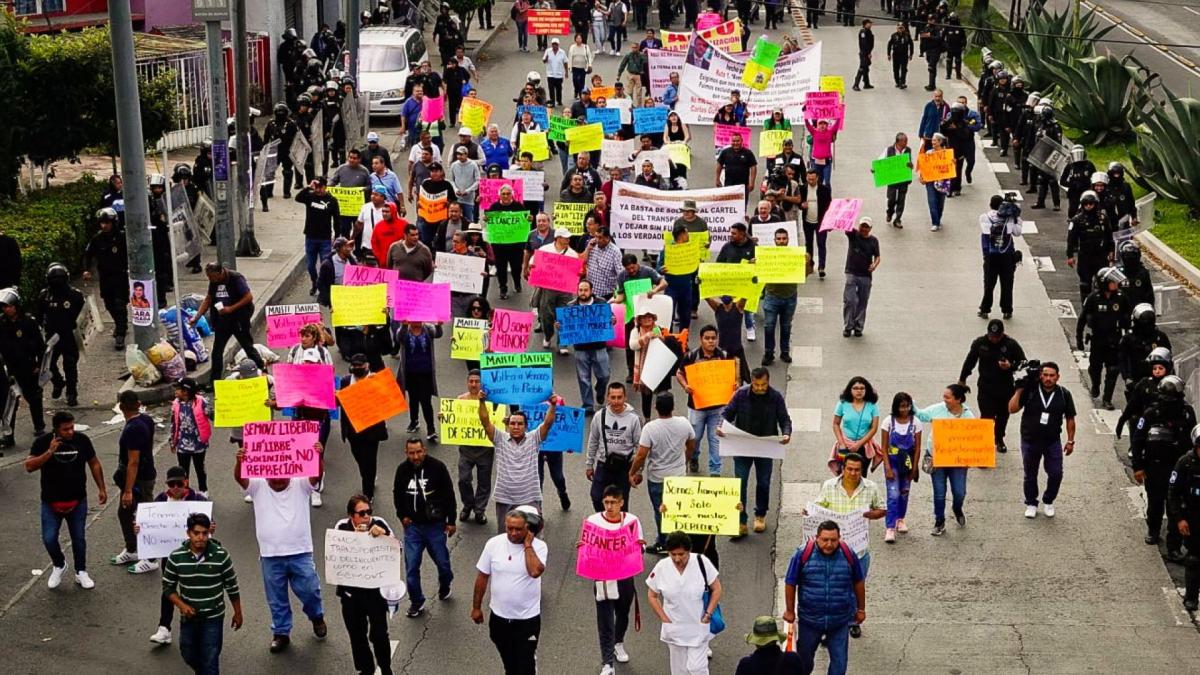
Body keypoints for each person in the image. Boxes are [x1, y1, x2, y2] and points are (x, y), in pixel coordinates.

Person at [234, 438, 327, 653]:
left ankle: (316, 616)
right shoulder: (257, 485)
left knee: (310, 590)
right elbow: (241, 479)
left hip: (300, 552)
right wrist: (240, 462)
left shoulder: (301, 482)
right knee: (276, 598)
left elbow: (316, 475)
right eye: (272, 477)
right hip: (270, 555)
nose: (276, 480)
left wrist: (317, 455)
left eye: (281, 476)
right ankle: (281, 632)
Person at [26, 411, 105, 590]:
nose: (70, 432)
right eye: (65, 429)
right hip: (50, 502)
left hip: (77, 501)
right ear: (56, 429)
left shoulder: (82, 440)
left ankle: (81, 571)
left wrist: (101, 488)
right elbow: (29, 466)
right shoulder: (43, 442)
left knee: (78, 538)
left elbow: (94, 463)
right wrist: (49, 452)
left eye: (72, 427)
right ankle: (59, 564)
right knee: (49, 538)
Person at [162, 512, 243, 675]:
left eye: (205, 533)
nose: (201, 537)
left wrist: (238, 613)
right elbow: (168, 587)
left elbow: (232, 586)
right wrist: (181, 605)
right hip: (189, 618)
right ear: (188, 533)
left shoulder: (221, 555)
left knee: (210, 658)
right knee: (187, 653)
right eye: (196, 533)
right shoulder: (176, 557)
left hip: (213, 617)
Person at [471, 507, 549, 674]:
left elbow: (535, 571)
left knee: (525, 666)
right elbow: (482, 577)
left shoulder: (539, 547)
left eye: (518, 529)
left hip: (527, 621)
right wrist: (476, 607)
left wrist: (527, 545)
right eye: (509, 528)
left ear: (528, 528)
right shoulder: (493, 544)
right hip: (499, 619)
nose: (513, 533)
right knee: (510, 664)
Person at [782, 521, 866, 675]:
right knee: (803, 663)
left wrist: (861, 609)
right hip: (810, 621)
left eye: (834, 540)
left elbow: (858, 582)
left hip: (839, 621)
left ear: (840, 538)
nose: (829, 544)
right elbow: (790, 582)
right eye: (825, 540)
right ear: (817, 538)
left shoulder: (848, 554)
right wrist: (789, 610)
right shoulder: (802, 554)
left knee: (839, 665)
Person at [720, 368, 792, 536]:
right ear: (751, 381)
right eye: (757, 385)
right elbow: (727, 413)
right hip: (743, 445)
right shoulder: (740, 395)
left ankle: (760, 515)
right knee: (740, 483)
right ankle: (741, 520)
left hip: (765, 446)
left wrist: (786, 432)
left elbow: (784, 418)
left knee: (764, 482)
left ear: (769, 382)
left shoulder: (775, 397)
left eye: (763, 385)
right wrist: (720, 425)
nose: (760, 388)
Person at [393, 437, 457, 617]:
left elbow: (449, 495)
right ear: (406, 453)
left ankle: (445, 583)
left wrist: (451, 521)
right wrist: (402, 516)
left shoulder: (437, 467)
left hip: (435, 526)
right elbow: (397, 494)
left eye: (418, 452)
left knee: (443, 563)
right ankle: (416, 601)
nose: (415, 456)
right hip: (413, 527)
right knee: (411, 567)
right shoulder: (402, 470)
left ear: (425, 451)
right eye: (411, 453)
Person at [1131, 376, 1194, 556]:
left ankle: (1173, 546)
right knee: (1156, 502)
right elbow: (1138, 440)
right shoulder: (1151, 413)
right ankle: (1153, 530)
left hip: (1179, 467)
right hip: (1155, 466)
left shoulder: (1187, 413)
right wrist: (1138, 467)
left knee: (1177, 506)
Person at [583, 486, 643, 674]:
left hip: (625, 577)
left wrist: (639, 548)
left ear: (621, 503)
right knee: (605, 620)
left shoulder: (632, 521)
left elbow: (638, 546)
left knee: (623, 614)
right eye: (606, 502)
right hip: (603, 578)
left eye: (613, 502)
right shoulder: (593, 521)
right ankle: (607, 662)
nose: (609, 506)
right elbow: (587, 545)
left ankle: (618, 642)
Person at [333, 495, 396, 675]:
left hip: (374, 593)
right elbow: (335, 555)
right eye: (361, 513)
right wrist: (356, 538)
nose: (366, 516)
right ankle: (365, 668)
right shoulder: (342, 528)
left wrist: (383, 536)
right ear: (351, 515)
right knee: (356, 634)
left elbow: (396, 549)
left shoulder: (379, 523)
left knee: (380, 634)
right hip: (351, 594)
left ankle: (385, 667)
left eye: (368, 512)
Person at [646, 530, 722, 675]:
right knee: (679, 671)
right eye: (673, 554)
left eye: (681, 554)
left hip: (698, 625)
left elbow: (717, 589)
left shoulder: (702, 562)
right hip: (674, 628)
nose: (677, 559)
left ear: (689, 551)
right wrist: (664, 618)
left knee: (697, 668)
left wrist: (708, 614)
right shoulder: (662, 567)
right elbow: (652, 595)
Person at [1008, 362, 1077, 519]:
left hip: (1052, 441)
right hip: (1030, 439)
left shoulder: (1064, 394)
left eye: (1052, 376)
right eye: (1045, 375)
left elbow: (1070, 418)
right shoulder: (1030, 390)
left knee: (1056, 473)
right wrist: (1019, 391)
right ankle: (1031, 503)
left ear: (1058, 377)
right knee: (1030, 473)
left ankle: (1048, 500)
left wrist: (1070, 440)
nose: (1048, 378)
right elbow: (1011, 409)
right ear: (1040, 375)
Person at [478, 393, 558, 528]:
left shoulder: (534, 438)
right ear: (508, 425)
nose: (516, 427)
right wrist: (481, 402)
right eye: (512, 423)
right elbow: (485, 422)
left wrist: (553, 405)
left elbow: (547, 423)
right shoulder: (499, 438)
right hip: (504, 498)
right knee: (506, 537)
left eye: (520, 424)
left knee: (532, 537)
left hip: (530, 498)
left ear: (526, 427)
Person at [631, 393, 695, 551]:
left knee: (660, 511)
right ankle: (680, 542)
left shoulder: (650, 428)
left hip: (657, 478)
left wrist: (633, 472)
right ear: (673, 407)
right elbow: (692, 445)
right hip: (679, 476)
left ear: (655, 408)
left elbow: (641, 455)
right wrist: (685, 460)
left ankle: (664, 542)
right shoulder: (684, 424)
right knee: (679, 510)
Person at [916, 383, 977, 536]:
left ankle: (957, 508)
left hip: (958, 462)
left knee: (959, 492)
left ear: (958, 400)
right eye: (944, 397)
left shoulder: (968, 416)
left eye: (948, 397)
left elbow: (974, 439)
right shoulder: (938, 409)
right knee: (939, 493)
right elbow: (922, 415)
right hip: (937, 458)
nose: (944, 400)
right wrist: (912, 405)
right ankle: (939, 521)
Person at [960, 319, 1026, 454]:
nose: (993, 339)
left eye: (996, 337)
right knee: (987, 416)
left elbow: (1023, 364)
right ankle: (984, 447)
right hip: (986, 387)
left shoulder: (1011, 344)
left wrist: (1010, 366)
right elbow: (970, 361)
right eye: (991, 336)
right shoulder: (980, 343)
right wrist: (962, 379)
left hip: (1005, 387)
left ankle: (999, 438)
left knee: (1003, 415)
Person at [190, 263, 264, 382]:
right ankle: (215, 382)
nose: (211, 280)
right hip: (222, 322)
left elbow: (248, 297)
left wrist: (231, 308)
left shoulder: (236, 278)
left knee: (247, 346)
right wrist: (197, 317)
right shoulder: (213, 281)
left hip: (238, 320)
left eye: (213, 277)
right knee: (217, 352)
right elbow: (208, 299)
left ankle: (261, 370)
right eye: (209, 277)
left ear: (221, 272)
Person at [677, 326, 734, 476]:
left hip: (718, 407)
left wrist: (734, 384)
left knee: (715, 439)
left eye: (713, 338)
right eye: (707, 338)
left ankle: (715, 471)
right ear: (701, 339)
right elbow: (679, 373)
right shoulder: (691, 356)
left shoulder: (724, 355)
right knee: (695, 438)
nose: (711, 341)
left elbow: (732, 377)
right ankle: (694, 457)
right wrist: (685, 386)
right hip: (697, 407)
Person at [111, 390, 157, 567]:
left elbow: (133, 462)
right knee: (126, 513)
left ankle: (150, 558)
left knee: (142, 517)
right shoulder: (146, 420)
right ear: (138, 404)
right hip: (144, 475)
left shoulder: (133, 429)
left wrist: (128, 490)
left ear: (121, 407)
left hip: (139, 480)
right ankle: (132, 549)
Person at [1077, 267, 1131, 409]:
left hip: (1114, 340)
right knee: (1095, 368)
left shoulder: (1121, 298)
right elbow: (1082, 319)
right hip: (1097, 340)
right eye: (1112, 281)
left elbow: (1129, 318)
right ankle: (1095, 384)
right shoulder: (1093, 299)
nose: (1116, 284)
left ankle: (1107, 399)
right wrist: (1079, 340)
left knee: (1113, 370)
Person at [338, 355, 390, 499]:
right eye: (354, 365)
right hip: (352, 430)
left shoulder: (375, 380)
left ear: (367, 365)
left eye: (360, 365)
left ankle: (368, 493)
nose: (357, 368)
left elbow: (387, 401)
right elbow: (339, 402)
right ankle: (367, 476)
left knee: (370, 460)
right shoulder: (345, 381)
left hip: (371, 430)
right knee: (360, 458)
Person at [35, 263, 84, 408]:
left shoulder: (75, 295)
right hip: (52, 337)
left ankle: (71, 393)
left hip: (70, 336)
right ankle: (58, 382)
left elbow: (84, 317)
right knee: (47, 364)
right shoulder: (45, 296)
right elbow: (39, 315)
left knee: (70, 365)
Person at [0, 288, 46, 440]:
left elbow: (41, 346)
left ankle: (39, 427)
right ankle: (8, 434)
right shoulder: (2, 324)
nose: (7, 310)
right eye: (5, 307)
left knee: (34, 398)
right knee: (9, 402)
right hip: (10, 369)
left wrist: (40, 365)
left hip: (28, 367)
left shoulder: (29, 323)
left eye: (10, 306)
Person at [82, 207, 129, 349]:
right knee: (109, 304)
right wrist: (86, 269)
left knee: (120, 304)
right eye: (102, 223)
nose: (104, 226)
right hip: (105, 277)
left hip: (120, 276)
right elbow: (87, 255)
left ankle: (121, 333)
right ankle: (120, 323)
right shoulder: (97, 238)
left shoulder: (122, 237)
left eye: (107, 223)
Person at [564, 280, 614, 415]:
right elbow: (564, 325)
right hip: (580, 348)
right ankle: (588, 405)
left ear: (591, 291)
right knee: (583, 378)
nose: (583, 293)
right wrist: (560, 326)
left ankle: (600, 389)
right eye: (580, 290)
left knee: (604, 375)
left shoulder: (601, 303)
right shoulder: (571, 307)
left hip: (599, 346)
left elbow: (611, 317)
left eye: (585, 290)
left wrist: (612, 319)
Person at [878, 393, 922, 543]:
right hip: (892, 462)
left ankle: (900, 519)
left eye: (908, 406)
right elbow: (883, 447)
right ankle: (890, 527)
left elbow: (917, 448)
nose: (905, 409)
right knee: (893, 494)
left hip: (907, 463)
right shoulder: (888, 422)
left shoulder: (915, 422)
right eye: (902, 406)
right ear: (896, 406)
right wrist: (887, 467)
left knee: (904, 492)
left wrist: (914, 468)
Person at [1168, 427, 1200, 610]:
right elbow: (1173, 493)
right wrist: (1179, 519)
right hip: (1193, 518)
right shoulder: (1185, 463)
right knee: (1194, 559)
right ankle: (1191, 597)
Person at [395, 321, 444, 441]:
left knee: (426, 401)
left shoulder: (428, 328)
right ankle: (414, 421)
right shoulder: (404, 330)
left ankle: (431, 429)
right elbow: (399, 338)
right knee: (413, 398)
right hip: (410, 373)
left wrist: (438, 325)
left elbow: (438, 334)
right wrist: (404, 325)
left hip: (425, 373)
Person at [1066, 190, 1116, 302]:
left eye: (1091, 204)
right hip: (1085, 256)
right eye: (1086, 204)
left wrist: (1111, 251)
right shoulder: (1077, 220)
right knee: (1085, 285)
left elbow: (1109, 236)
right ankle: (1086, 305)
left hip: (1101, 256)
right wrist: (1070, 256)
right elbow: (1071, 239)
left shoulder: (1103, 219)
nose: (1088, 206)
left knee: (1103, 282)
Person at [978, 194, 1023, 319]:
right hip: (1007, 255)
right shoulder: (1009, 218)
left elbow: (985, 232)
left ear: (990, 205)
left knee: (989, 284)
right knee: (1007, 284)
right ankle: (1007, 310)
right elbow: (1017, 233)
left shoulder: (984, 217)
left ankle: (985, 309)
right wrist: (1016, 216)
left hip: (990, 255)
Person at [760, 227, 800, 366]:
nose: (781, 241)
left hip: (790, 296)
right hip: (772, 296)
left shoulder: (795, 255)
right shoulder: (767, 255)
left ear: (788, 240)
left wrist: (807, 262)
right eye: (779, 239)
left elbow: (805, 274)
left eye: (784, 239)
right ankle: (769, 353)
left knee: (786, 326)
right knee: (769, 326)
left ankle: (785, 352)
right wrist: (755, 263)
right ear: (774, 240)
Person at [295, 178, 340, 295]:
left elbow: (337, 219)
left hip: (325, 238)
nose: (318, 190)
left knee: (325, 264)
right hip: (310, 237)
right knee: (310, 265)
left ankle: (323, 285)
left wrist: (337, 236)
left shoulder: (332, 200)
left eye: (321, 187)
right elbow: (298, 198)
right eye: (317, 187)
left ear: (326, 187)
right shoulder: (310, 197)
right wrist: (309, 187)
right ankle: (314, 281)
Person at [170, 377, 213, 497]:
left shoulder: (201, 402)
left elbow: (212, 416)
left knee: (200, 467)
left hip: (198, 443)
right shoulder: (176, 404)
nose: (175, 391)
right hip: (182, 444)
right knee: (183, 470)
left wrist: (214, 411)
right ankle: (185, 490)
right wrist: (172, 441)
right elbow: (174, 423)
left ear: (185, 391)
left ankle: (203, 490)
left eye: (178, 389)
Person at [830, 376, 880, 475]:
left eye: (862, 388)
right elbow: (836, 424)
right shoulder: (842, 404)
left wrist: (859, 444)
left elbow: (874, 428)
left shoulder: (872, 406)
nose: (859, 391)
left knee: (861, 474)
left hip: (864, 445)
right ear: (850, 390)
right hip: (845, 445)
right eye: (855, 388)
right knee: (844, 474)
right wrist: (842, 443)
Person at [842, 217, 880, 337]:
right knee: (850, 300)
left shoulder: (874, 241)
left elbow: (877, 256)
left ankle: (858, 326)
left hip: (865, 275)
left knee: (863, 301)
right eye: (862, 226)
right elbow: (846, 227)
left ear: (870, 229)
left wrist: (874, 265)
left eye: (866, 227)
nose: (864, 229)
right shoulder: (853, 235)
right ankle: (848, 326)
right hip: (851, 272)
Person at [917, 133, 951, 231]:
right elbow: (924, 167)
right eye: (932, 140)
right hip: (930, 181)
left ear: (940, 142)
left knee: (940, 202)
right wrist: (922, 177)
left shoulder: (946, 154)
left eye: (934, 140)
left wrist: (952, 162)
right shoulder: (928, 153)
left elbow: (950, 167)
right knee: (932, 201)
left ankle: (938, 219)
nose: (932, 142)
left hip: (943, 181)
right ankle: (935, 222)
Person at [886, 23, 914, 88]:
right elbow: (889, 44)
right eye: (899, 28)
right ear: (897, 28)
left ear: (904, 28)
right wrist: (888, 54)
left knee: (904, 69)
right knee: (895, 69)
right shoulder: (894, 35)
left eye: (902, 28)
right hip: (896, 55)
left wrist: (911, 54)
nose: (900, 29)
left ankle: (902, 82)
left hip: (904, 55)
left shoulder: (907, 35)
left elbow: (911, 44)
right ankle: (897, 82)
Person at [852, 20, 874, 91]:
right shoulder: (863, 32)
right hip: (864, 53)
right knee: (862, 68)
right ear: (865, 24)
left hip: (867, 52)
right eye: (869, 24)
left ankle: (866, 83)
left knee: (866, 68)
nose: (870, 25)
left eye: (870, 24)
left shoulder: (869, 31)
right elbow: (864, 43)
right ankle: (856, 85)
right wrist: (868, 53)